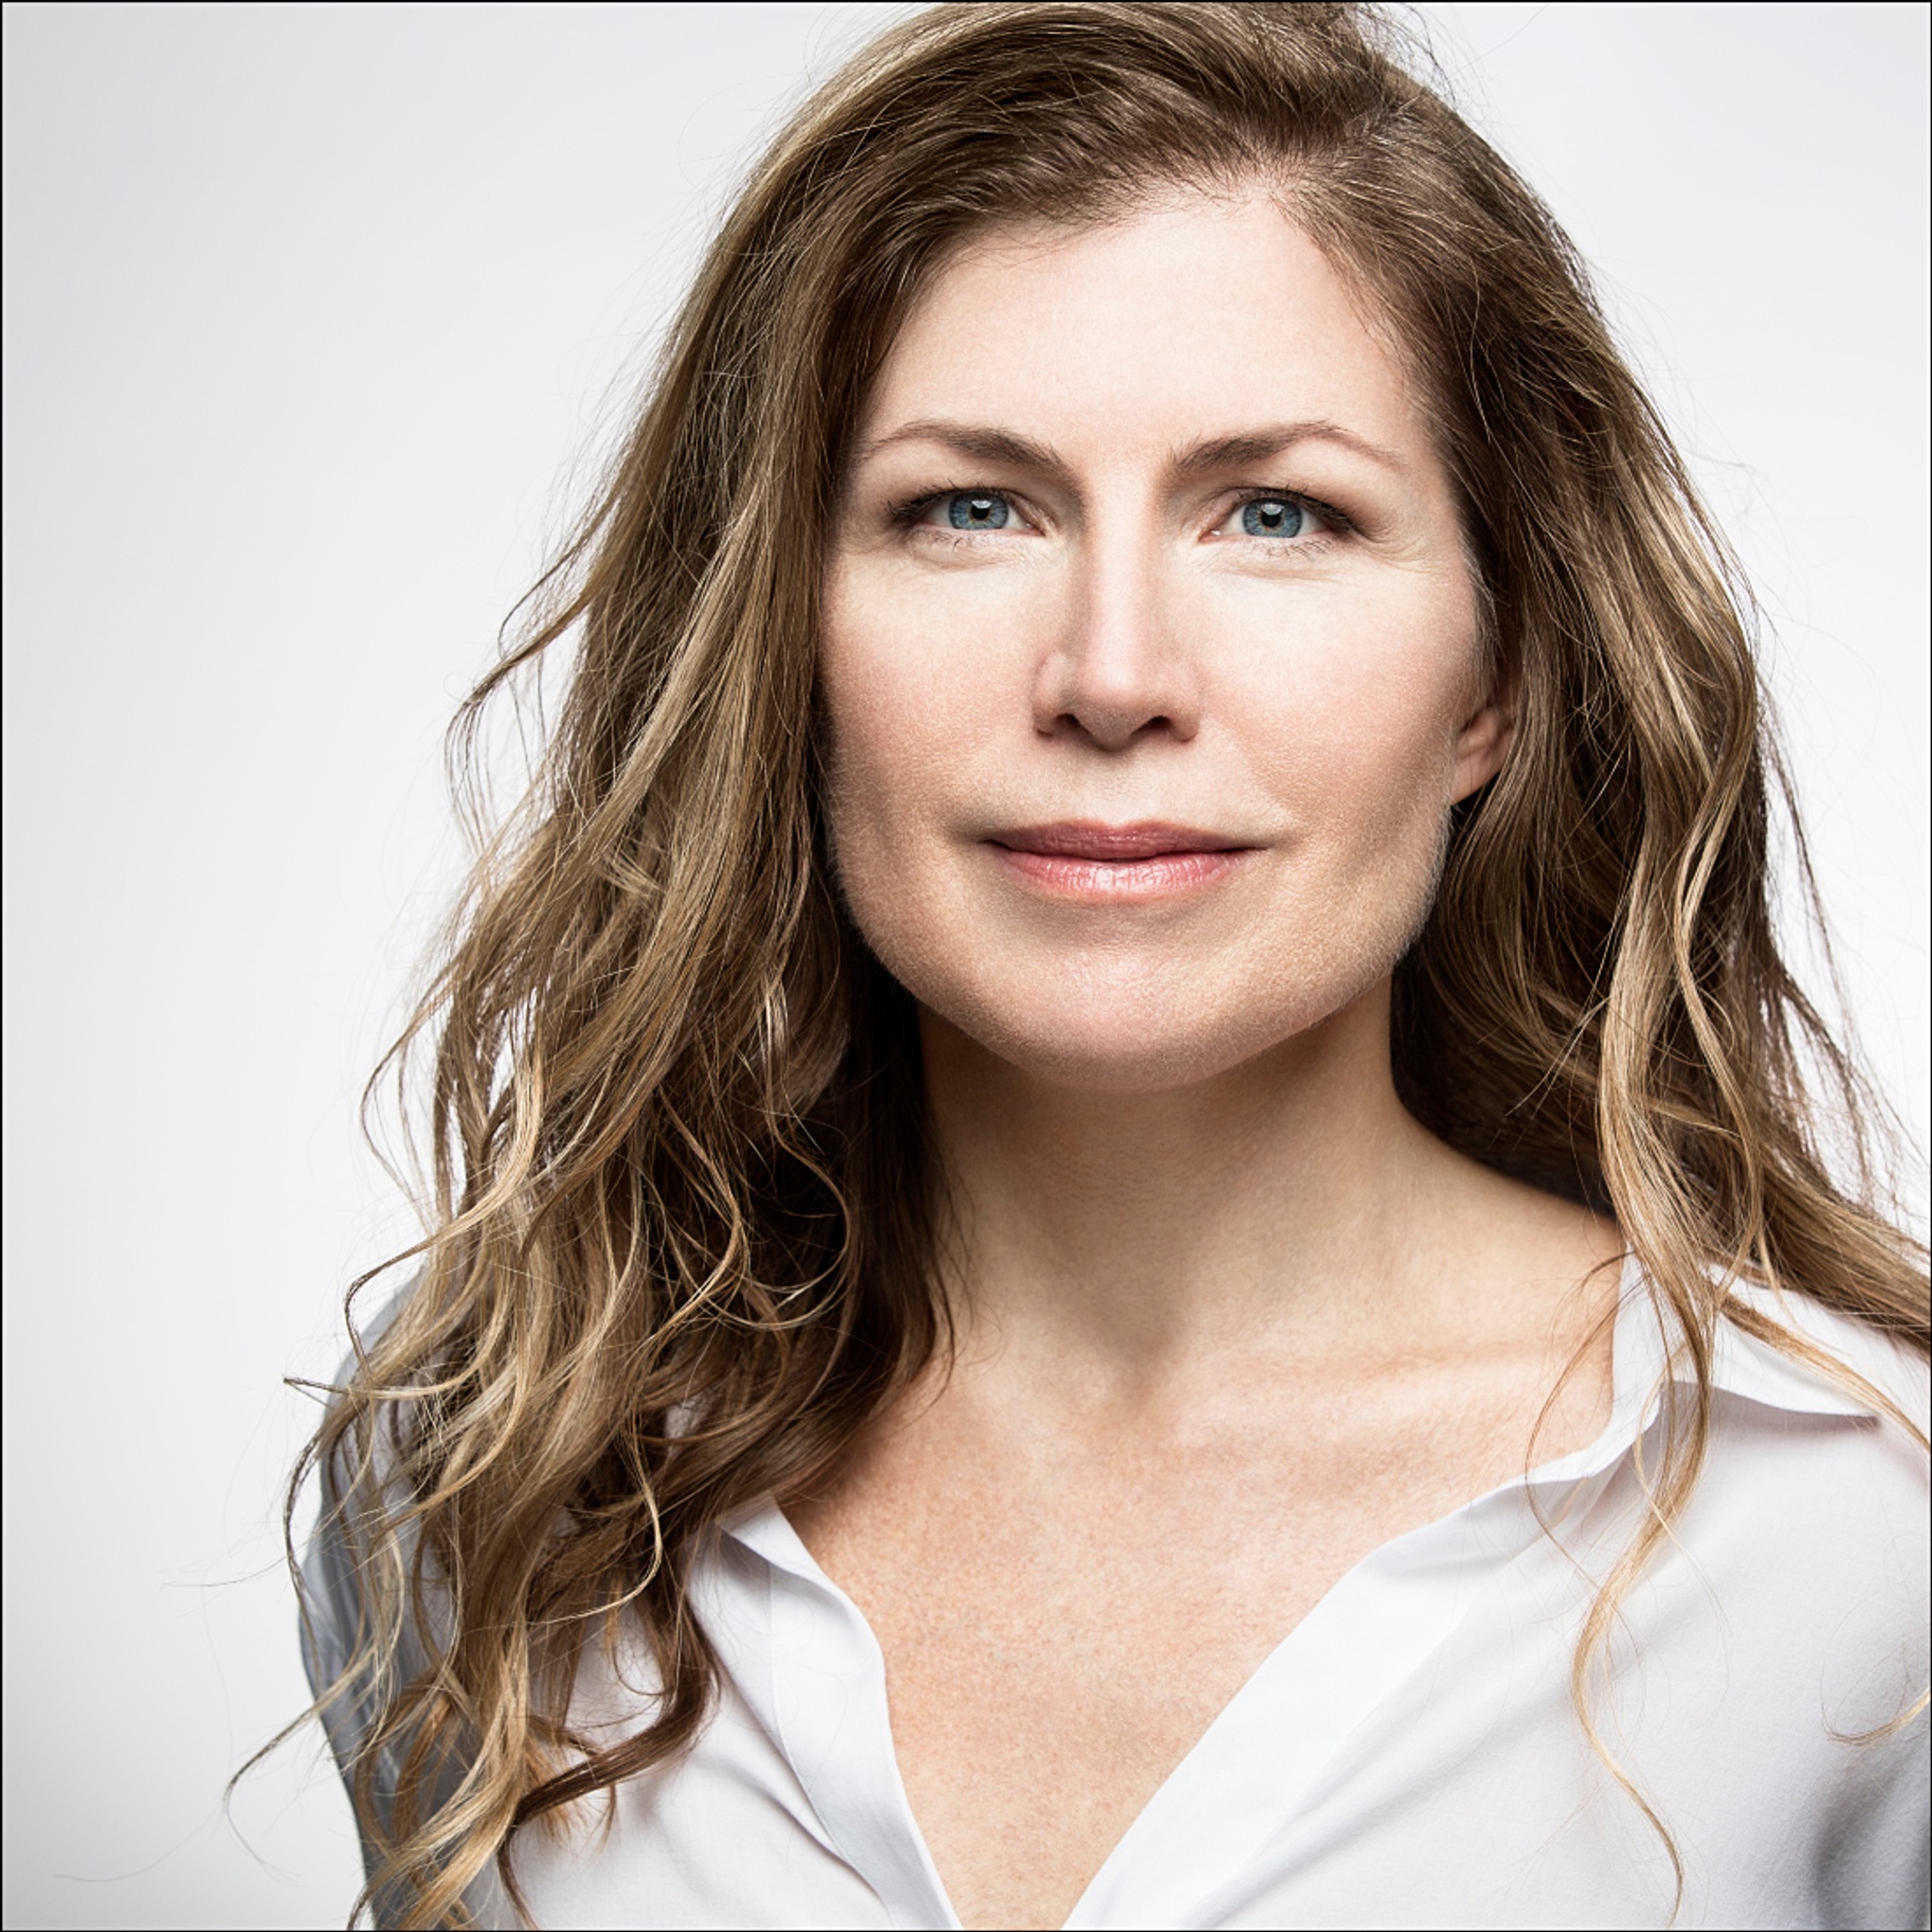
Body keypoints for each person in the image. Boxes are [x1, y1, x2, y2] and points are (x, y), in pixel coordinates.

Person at [295, 5, 1930, 1926]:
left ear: (1495, 672)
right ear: (778, 642)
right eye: (967, 508)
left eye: (1280, 513)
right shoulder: (485, 1471)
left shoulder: (1860, 1526)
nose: (1113, 676)